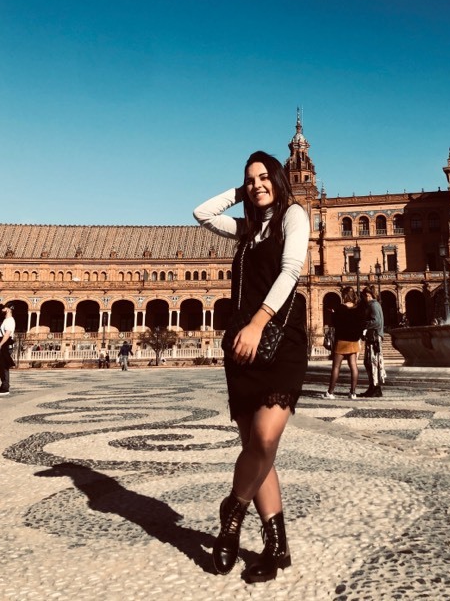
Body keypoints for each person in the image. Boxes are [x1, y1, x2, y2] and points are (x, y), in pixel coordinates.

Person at [193, 150, 310, 582]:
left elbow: (291, 270)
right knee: (258, 451)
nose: (258, 185)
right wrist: (242, 191)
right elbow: (202, 213)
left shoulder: (294, 215)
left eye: (265, 177)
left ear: (280, 179)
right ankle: (277, 546)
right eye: (251, 180)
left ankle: (232, 513)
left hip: (279, 335)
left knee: (263, 439)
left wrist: (260, 322)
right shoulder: (245, 229)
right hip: (241, 343)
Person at [323, 286, 362, 400]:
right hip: (354, 341)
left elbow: (334, 323)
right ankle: (353, 392)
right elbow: (360, 324)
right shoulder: (357, 309)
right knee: (353, 366)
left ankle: (330, 392)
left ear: (344, 296)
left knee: (336, 367)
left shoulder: (340, 308)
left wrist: (334, 314)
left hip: (342, 341)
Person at [358, 285, 386, 398]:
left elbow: (377, 322)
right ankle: (373, 387)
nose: (363, 299)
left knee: (372, 362)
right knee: (370, 362)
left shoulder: (373, 305)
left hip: (374, 338)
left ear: (368, 295)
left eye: (364, 296)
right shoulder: (375, 304)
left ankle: (375, 388)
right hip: (373, 337)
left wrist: (364, 325)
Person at [0, 304, 16, 395]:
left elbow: (7, 334)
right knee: (2, 367)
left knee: (5, 367)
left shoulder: (10, 320)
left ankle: (5, 387)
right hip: (3, 345)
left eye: (4, 308)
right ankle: (3, 386)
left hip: (5, 346)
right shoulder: (6, 320)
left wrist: (0, 344)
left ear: (9, 309)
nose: (2, 309)